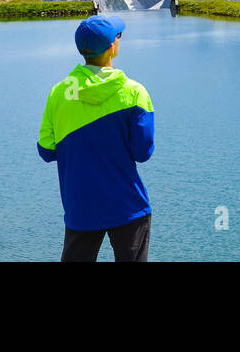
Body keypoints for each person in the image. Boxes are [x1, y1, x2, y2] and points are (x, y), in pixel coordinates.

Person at [37, 14, 155, 262]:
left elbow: (46, 150)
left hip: (81, 205)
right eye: (118, 36)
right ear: (112, 47)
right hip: (127, 206)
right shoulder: (135, 93)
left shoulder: (59, 92)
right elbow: (143, 152)